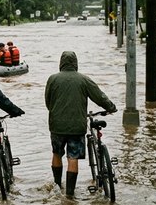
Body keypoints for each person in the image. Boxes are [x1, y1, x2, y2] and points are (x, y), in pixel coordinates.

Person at [44, 51, 117, 197]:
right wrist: (110, 107)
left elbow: (48, 102)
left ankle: (57, 186)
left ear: (61, 63)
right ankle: (70, 194)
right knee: (73, 158)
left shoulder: (52, 79)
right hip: (77, 127)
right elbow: (99, 96)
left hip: (57, 126)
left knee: (57, 154)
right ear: (75, 63)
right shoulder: (84, 79)